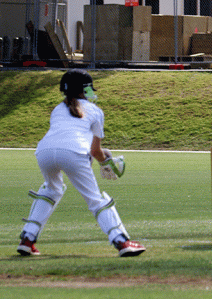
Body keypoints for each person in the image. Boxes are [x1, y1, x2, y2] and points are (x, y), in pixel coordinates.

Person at [17, 69, 146, 257]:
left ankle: (27, 239)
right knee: (95, 199)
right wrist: (106, 162)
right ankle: (121, 241)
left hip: (44, 152)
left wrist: (99, 158)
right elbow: (95, 151)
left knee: (52, 190)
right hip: (73, 153)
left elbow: (72, 140)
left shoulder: (57, 109)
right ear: (85, 89)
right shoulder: (95, 111)